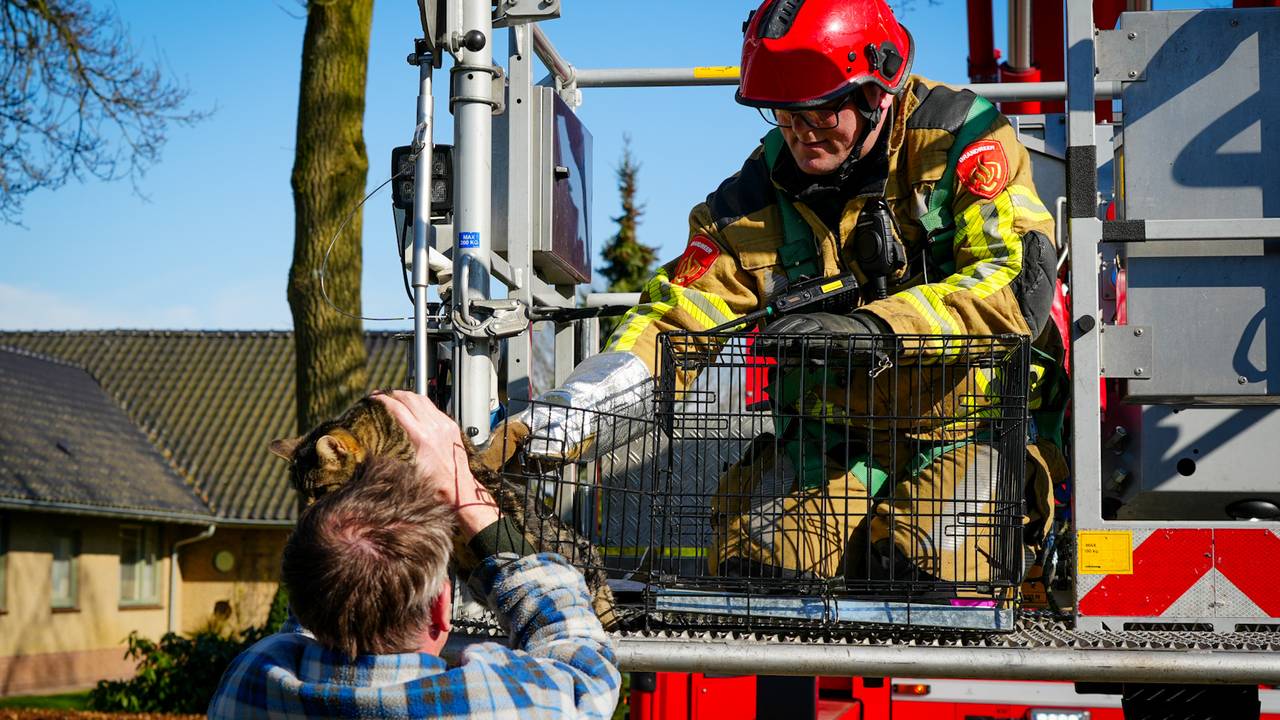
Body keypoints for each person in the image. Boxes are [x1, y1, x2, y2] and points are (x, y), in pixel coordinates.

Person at [487, 0, 1062, 586]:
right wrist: (561, 421)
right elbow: (672, 321)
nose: (801, 134)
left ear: (877, 93)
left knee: (919, 570)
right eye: (784, 114)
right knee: (759, 570)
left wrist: (877, 329)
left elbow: (1016, 283)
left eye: (821, 112)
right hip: (832, 448)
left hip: (966, 431)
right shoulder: (750, 200)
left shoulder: (961, 140)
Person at [207, 390, 621, 720]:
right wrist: (463, 489)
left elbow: (301, 630)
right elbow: (583, 665)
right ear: (441, 606)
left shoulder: (247, 686)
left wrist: (329, 549)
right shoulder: (506, 704)